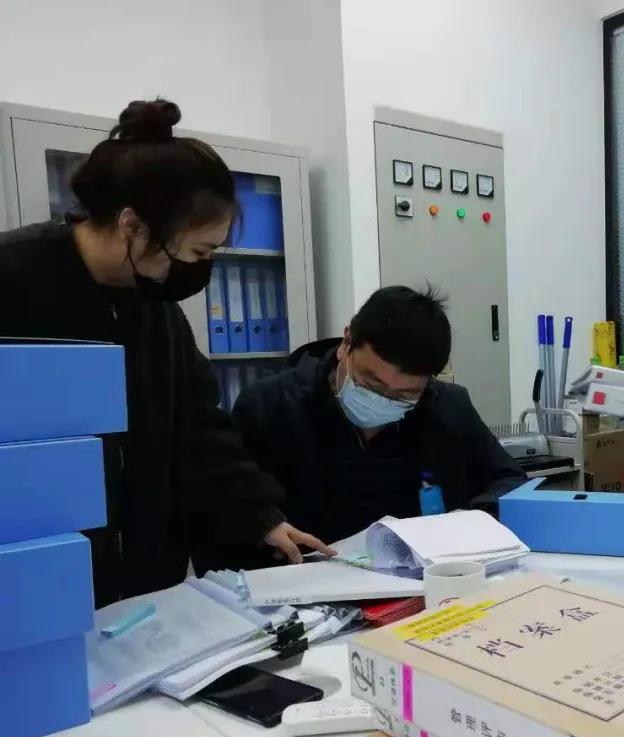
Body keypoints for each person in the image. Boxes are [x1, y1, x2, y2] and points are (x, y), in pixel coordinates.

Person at [0, 99, 332, 606]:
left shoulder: (154, 308)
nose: (200, 269)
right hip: (37, 572)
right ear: (133, 225)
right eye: (198, 251)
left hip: (145, 576)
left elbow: (200, 425)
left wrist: (259, 515)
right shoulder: (14, 278)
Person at [231, 285, 527, 546]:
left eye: (404, 394)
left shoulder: (447, 406)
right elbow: (229, 502)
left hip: (419, 580)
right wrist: (264, 526)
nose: (383, 399)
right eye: (371, 384)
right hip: (304, 581)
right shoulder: (269, 407)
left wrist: (474, 519)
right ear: (346, 343)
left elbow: (511, 481)